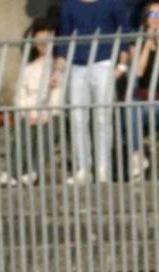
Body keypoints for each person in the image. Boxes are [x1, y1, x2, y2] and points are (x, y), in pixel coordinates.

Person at [53, 0, 132, 185]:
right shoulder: (69, 5)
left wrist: (121, 65)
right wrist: (59, 70)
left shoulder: (113, 3)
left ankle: (103, 168)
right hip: (76, 65)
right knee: (78, 118)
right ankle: (83, 168)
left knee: (102, 117)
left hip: (104, 62)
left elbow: (124, 35)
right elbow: (65, 40)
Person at [0, 17, 63, 187]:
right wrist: (28, 113)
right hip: (31, 113)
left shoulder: (59, 67)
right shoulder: (28, 68)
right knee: (22, 131)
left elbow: (59, 96)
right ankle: (12, 172)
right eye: (39, 41)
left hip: (52, 114)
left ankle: (33, 170)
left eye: (46, 40)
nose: (42, 44)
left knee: (47, 132)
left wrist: (46, 114)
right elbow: (20, 96)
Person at [122, 1, 159, 180]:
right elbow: (138, 71)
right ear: (146, 20)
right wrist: (147, 43)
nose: (156, 20)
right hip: (143, 101)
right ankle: (137, 156)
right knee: (131, 109)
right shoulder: (136, 43)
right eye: (152, 15)